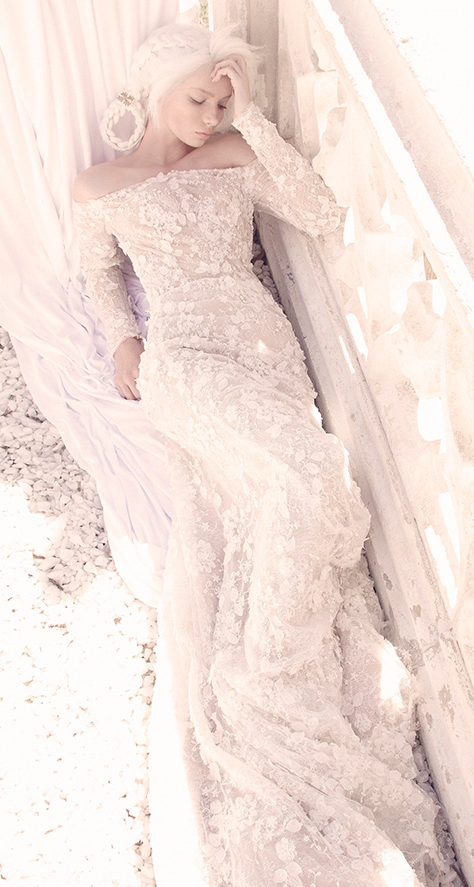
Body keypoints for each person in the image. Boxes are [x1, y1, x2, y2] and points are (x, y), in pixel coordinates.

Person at [73, 22, 446, 887]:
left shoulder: (236, 153)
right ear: (153, 91)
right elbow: (98, 274)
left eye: (221, 99)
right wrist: (125, 341)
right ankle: (264, 675)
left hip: (265, 349)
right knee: (309, 476)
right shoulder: (100, 184)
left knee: (292, 486)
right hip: (186, 358)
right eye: (197, 97)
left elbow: (317, 211)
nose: (209, 114)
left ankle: (268, 658)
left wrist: (254, 121)